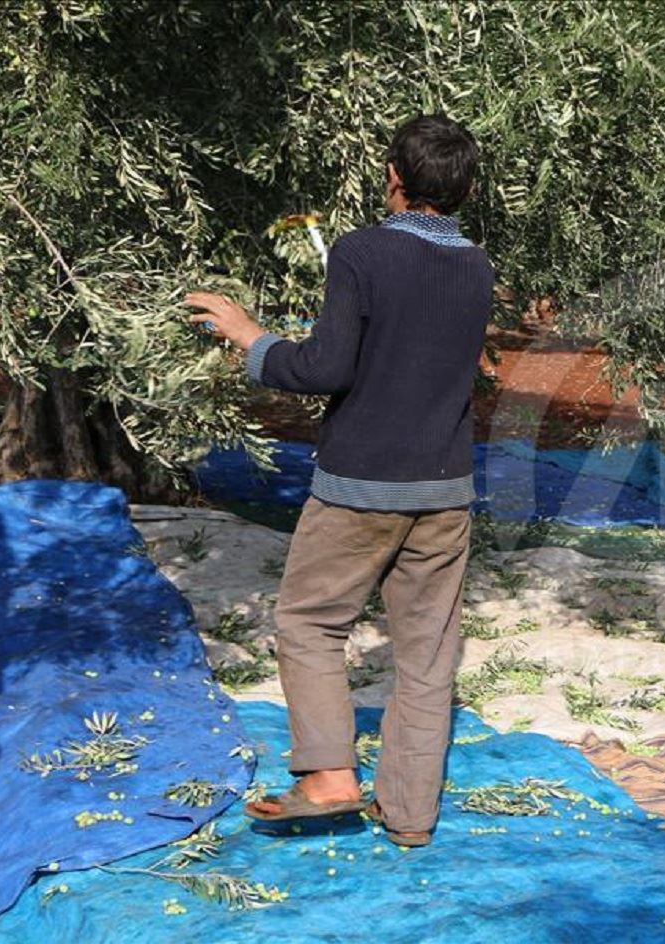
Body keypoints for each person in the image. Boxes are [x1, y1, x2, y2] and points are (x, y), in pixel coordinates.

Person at [185, 114, 493, 843]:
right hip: (445, 489)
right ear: (467, 189)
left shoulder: (359, 252)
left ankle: (327, 778)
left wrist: (249, 336)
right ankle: (411, 816)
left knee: (310, 620)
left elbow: (327, 368)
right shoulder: (478, 267)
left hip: (360, 485)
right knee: (426, 653)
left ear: (393, 177)